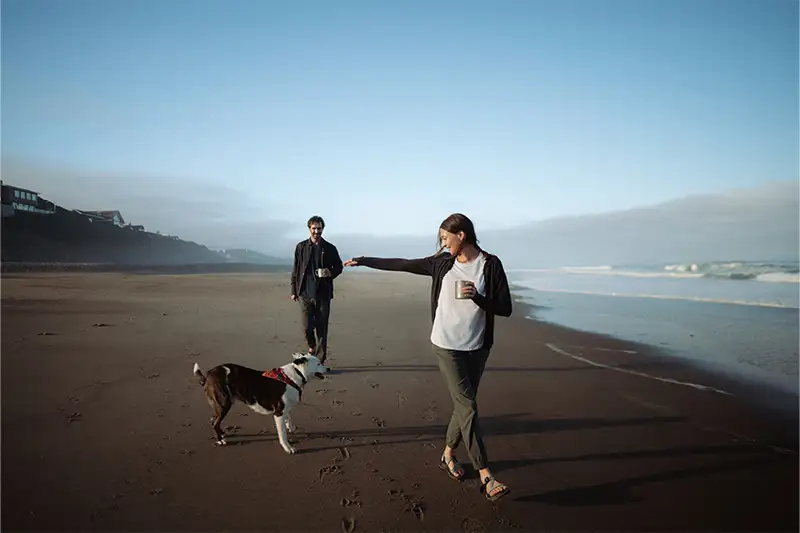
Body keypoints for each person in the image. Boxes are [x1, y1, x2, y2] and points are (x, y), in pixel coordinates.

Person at [343, 213, 512, 501]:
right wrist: (364, 260)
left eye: (446, 238)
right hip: (446, 345)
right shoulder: (441, 264)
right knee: (468, 405)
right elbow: (403, 264)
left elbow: (505, 308)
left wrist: (477, 298)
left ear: (462, 235)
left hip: (477, 347)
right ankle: (485, 474)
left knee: (464, 405)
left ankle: (447, 454)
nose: (443, 244)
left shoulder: (491, 265)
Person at [290, 215, 343, 364]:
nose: (316, 231)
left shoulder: (330, 248)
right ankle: (311, 346)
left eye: (319, 228)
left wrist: (329, 273)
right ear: (309, 229)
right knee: (306, 327)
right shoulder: (301, 247)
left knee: (321, 328)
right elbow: (296, 268)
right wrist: (294, 290)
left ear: (322, 229)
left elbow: (339, 266)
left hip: (322, 294)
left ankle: (319, 360)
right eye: (314, 228)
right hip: (304, 293)